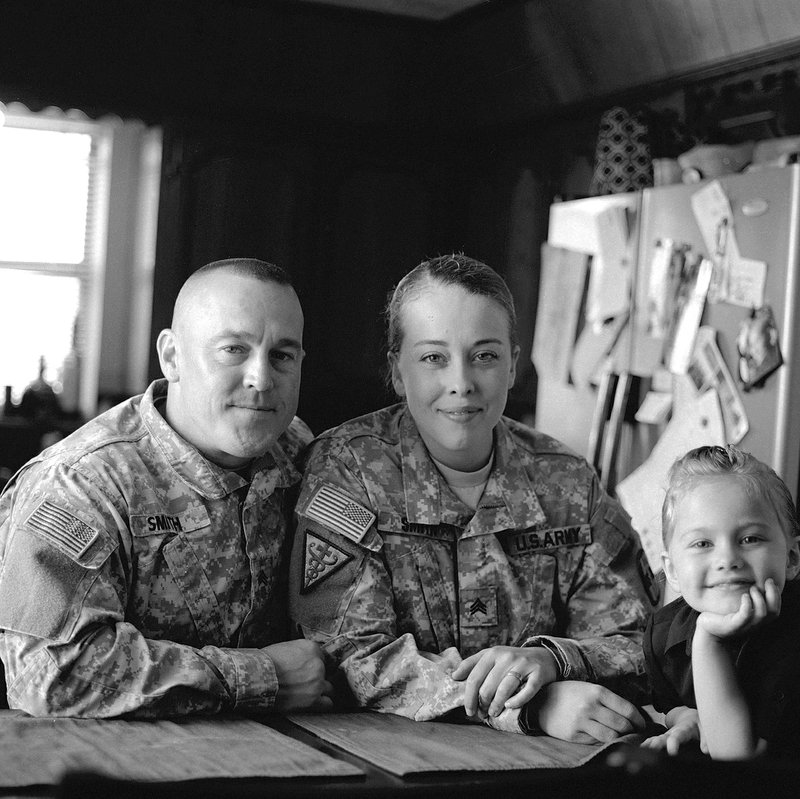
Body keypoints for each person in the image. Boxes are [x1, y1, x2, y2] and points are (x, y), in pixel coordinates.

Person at [289, 254, 658, 742]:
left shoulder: (567, 481)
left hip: (548, 767)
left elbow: (641, 641)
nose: (461, 382)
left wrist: (553, 659)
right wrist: (529, 704)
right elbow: (349, 654)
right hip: (390, 758)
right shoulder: (349, 468)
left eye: (484, 355)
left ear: (512, 366)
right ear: (397, 372)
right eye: (433, 358)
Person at [0, 258, 332, 718]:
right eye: (233, 349)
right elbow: (49, 675)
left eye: (282, 355)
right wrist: (260, 676)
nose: (261, 378)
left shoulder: (298, 450)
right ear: (172, 356)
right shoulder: (81, 483)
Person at [642, 445, 800, 760]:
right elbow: (662, 705)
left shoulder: (791, 640)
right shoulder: (662, 632)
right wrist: (686, 717)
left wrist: (708, 639)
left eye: (750, 539)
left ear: (791, 558)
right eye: (702, 543)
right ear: (672, 569)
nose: (727, 559)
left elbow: (737, 758)